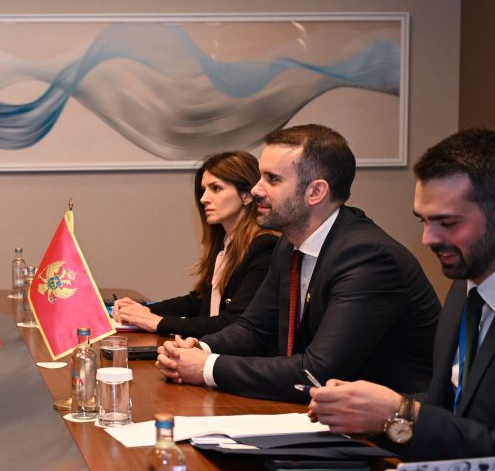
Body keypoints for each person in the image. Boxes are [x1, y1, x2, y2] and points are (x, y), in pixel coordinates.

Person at [156, 124, 439, 402]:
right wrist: (200, 347)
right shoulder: (289, 244)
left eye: (272, 179)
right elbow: (254, 329)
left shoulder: (369, 258)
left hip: (388, 425)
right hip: (323, 413)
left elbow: (316, 372)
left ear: (315, 192)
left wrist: (207, 367)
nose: (256, 190)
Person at [309, 128, 495, 461]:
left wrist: (398, 411)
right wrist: (366, 409)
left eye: (448, 223)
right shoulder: (463, 293)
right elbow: (451, 412)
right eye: (423, 221)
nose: (427, 239)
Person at [113, 151, 279, 337]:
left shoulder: (264, 248)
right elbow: (201, 300)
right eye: (204, 190)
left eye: (216, 188)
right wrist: (144, 310)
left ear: (247, 195)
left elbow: (233, 323)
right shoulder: (226, 243)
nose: (203, 198)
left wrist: (157, 322)